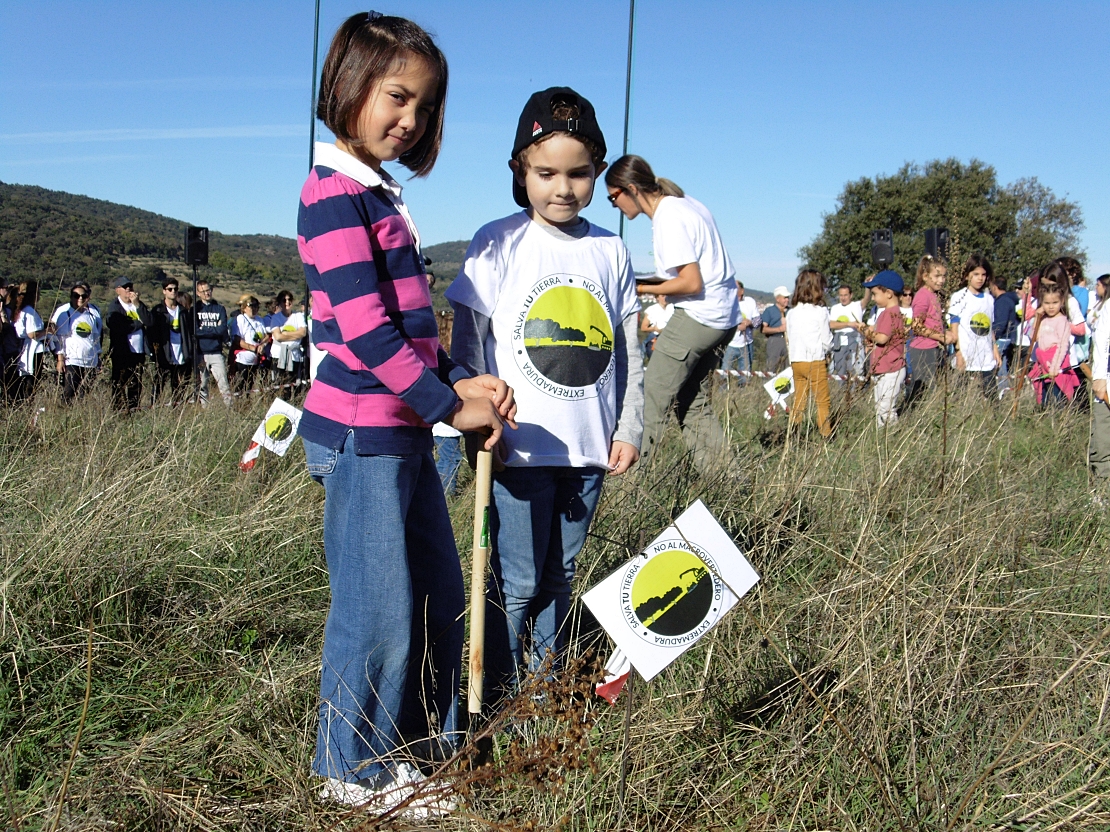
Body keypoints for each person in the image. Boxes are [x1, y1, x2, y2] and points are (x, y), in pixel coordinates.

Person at [296, 12, 513, 813]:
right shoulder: (332, 193)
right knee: (375, 606)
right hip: (364, 433)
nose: (411, 120)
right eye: (396, 97)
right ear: (348, 85)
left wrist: (466, 380)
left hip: (407, 430)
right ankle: (348, 766)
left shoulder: (381, 196)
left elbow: (417, 335)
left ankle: (410, 749)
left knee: (431, 594)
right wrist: (449, 406)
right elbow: (365, 331)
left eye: (425, 106)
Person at [448, 86, 641, 708]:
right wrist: (476, 419)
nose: (563, 187)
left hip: (588, 451)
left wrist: (628, 425)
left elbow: (629, 348)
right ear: (519, 172)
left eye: (580, 173)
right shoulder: (497, 240)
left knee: (561, 575)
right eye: (546, 173)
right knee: (519, 578)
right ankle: (495, 699)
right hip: (518, 448)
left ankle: (545, 688)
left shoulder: (612, 249)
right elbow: (469, 341)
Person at [606, 154, 738, 469]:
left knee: (651, 396)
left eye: (614, 198)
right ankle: (726, 479)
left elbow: (691, 282)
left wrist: (641, 289)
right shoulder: (685, 204)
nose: (615, 206)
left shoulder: (668, 217)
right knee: (692, 402)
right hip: (724, 316)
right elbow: (678, 277)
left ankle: (633, 483)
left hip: (700, 316)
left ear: (631, 188)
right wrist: (637, 282)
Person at [785, 270, 833, 438]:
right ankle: (826, 433)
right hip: (815, 360)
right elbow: (826, 340)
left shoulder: (790, 313)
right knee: (822, 400)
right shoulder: (820, 312)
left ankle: (794, 431)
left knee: (799, 399)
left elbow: (789, 337)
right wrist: (828, 350)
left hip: (796, 361)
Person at [948, 254, 1000, 398]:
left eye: (983, 274)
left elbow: (990, 328)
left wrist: (995, 349)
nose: (980, 278)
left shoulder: (989, 299)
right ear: (967, 275)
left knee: (991, 397)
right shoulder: (959, 297)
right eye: (976, 274)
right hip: (966, 357)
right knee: (960, 399)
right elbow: (954, 327)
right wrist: (958, 353)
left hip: (986, 358)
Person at [861, 271, 907, 426]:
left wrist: (866, 331)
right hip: (884, 368)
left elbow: (882, 338)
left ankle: (891, 436)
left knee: (886, 409)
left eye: (874, 294)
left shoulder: (889, 313)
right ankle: (883, 436)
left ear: (888, 293)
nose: (872, 298)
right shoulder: (889, 313)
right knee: (881, 407)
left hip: (890, 369)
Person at [105, 276, 153, 411]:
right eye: (125, 287)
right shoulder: (115, 307)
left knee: (136, 384)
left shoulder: (137, 304)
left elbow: (150, 321)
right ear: (117, 290)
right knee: (119, 383)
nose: (128, 290)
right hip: (122, 353)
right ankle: (119, 411)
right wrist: (138, 323)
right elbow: (118, 326)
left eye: (130, 287)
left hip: (138, 352)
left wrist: (137, 304)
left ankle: (134, 409)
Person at [1029, 282, 1078, 409]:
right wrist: (1037, 317)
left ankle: (1057, 423)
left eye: (1054, 303)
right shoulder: (1044, 319)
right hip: (1043, 364)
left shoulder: (1062, 321)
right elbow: (1033, 336)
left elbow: (1062, 346)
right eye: (1047, 303)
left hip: (1056, 365)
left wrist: (1055, 367)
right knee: (1044, 398)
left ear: (1061, 302)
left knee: (1056, 400)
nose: (1051, 307)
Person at [53, 284, 102, 402]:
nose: (80, 298)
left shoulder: (91, 315)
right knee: (68, 393)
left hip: (90, 362)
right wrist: (60, 360)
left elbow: (95, 338)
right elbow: (60, 339)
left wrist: (98, 357)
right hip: (73, 360)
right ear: (71, 297)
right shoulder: (66, 315)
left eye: (83, 296)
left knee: (84, 395)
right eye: (76, 296)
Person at [151, 278, 193, 404]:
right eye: (170, 289)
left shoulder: (183, 312)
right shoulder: (158, 311)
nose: (173, 291)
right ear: (164, 291)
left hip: (181, 352)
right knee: (159, 383)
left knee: (179, 386)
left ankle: (176, 410)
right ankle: (155, 408)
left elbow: (189, 333)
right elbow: (152, 332)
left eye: (175, 289)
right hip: (164, 353)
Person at [193, 280, 233, 407]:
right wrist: (214, 330)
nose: (207, 293)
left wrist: (204, 331)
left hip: (216, 352)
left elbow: (222, 330)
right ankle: (205, 410)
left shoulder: (220, 308)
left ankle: (229, 409)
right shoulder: (195, 310)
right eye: (203, 291)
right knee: (202, 385)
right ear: (198, 293)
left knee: (224, 384)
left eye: (208, 289)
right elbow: (195, 331)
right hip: (201, 353)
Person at [267, 289, 307, 398]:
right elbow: (277, 336)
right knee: (278, 384)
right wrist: (295, 334)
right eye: (284, 300)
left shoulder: (298, 316)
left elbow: (303, 332)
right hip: (278, 355)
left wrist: (285, 334)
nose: (287, 302)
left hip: (294, 356)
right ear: (280, 303)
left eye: (289, 300)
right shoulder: (276, 318)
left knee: (293, 384)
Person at [720, 282, 760, 385]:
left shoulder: (750, 302)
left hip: (746, 344)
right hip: (730, 344)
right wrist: (737, 327)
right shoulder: (725, 302)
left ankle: (743, 395)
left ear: (742, 291)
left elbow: (758, 321)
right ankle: (723, 395)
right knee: (724, 374)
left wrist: (750, 323)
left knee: (745, 375)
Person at [1090, 275, 1110, 481]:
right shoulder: (1109, 307)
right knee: (1103, 442)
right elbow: (1102, 341)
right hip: (1107, 382)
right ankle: (1102, 492)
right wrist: (1100, 377)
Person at [11, 281, 45, 402]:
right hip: (31, 351)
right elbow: (32, 334)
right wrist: (48, 331)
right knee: (30, 384)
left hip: (20, 349)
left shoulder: (18, 310)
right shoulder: (29, 311)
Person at [232, 295, 269, 396]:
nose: (254, 309)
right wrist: (253, 348)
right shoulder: (240, 319)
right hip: (243, 360)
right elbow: (237, 339)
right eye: (251, 306)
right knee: (240, 387)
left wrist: (263, 345)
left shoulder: (259, 320)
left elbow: (266, 336)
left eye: (256, 306)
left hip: (256, 360)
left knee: (250, 387)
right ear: (244, 307)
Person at [988, 274, 1019, 391]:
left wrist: (993, 336)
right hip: (1007, 338)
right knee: (1002, 367)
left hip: (1000, 338)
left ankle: (998, 390)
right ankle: (1004, 390)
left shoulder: (1002, 302)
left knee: (995, 366)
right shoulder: (1009, 300)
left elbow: (1000, 323)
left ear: (995, 287)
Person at [828, 284, 865, 381]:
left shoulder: (857, 306)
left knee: (854, 369)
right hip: (839, 340)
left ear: (851, 295)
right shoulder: (835, 308)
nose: (843, 298)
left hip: (854, 339)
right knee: (840, 369)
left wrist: (868, 287)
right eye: (841, 295)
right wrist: (849, 324)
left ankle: (854, 393)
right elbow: (832, 324)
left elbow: (866, 299)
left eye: (845, 295)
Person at [761, 287, 790, 373]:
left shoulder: (790, 311)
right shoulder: (769, 311)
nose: (787, 300)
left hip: (789, 341)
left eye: (788, 297)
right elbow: (763, 329)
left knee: (788, 368)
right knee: (772, 366)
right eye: (785, 298)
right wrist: (779, 329)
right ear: (778, 299)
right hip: (775, 340)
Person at [640, 294, 672, 359]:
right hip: (655, 338)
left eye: (666, 296)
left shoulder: (672, 308)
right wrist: (655, 329)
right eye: (662, 296)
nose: (665, 298)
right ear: (657, 298)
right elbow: (643, 328)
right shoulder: (652, 309)